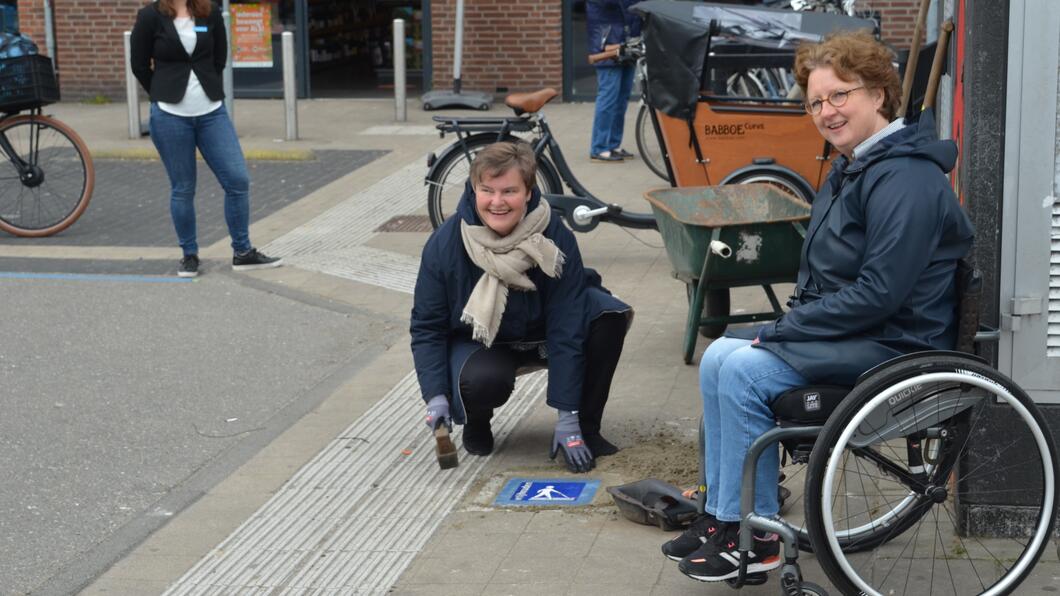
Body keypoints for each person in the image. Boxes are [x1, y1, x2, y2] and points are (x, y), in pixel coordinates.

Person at [661, 31, 974, 583]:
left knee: (744, 371)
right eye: (814, 101)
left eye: (839, 96)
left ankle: (755, 538)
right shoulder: (856, 164)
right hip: (857, 330)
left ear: (878, 94)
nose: (826, 112)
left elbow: (882, 292)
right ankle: (722, 513)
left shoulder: (906, 179)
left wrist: (788, 328)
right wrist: (786, 326)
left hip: (896, 344)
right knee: (718, 356)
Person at [410, 141, 632, 473]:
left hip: (541, 328)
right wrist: (436, 396)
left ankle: (585, 428)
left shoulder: (553, 235)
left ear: (528, 193)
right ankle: (477, 420)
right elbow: (427, 327)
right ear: (474, 190)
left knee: (607, 315)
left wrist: (567, 413)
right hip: (481, 340)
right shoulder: (446, 244)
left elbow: (567, 322)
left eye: (509, 191)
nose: (497, 202)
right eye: (487, 190)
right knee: (483, 380)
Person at [131, 0, 282, 278]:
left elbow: (219, 58)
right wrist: (162, 92)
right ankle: (189, 255)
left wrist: (205, 86)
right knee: (183, 188)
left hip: (212, 112)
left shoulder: (209, 11)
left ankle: (243, 251)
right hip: (170, 115)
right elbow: (139, 65)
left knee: (237, 180)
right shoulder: (149, 16)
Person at [586, 0, 640, 163]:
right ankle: (600, 148)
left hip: (627, 42)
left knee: (621, 99)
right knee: (608, 98)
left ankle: (613, 145)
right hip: (608, 43)